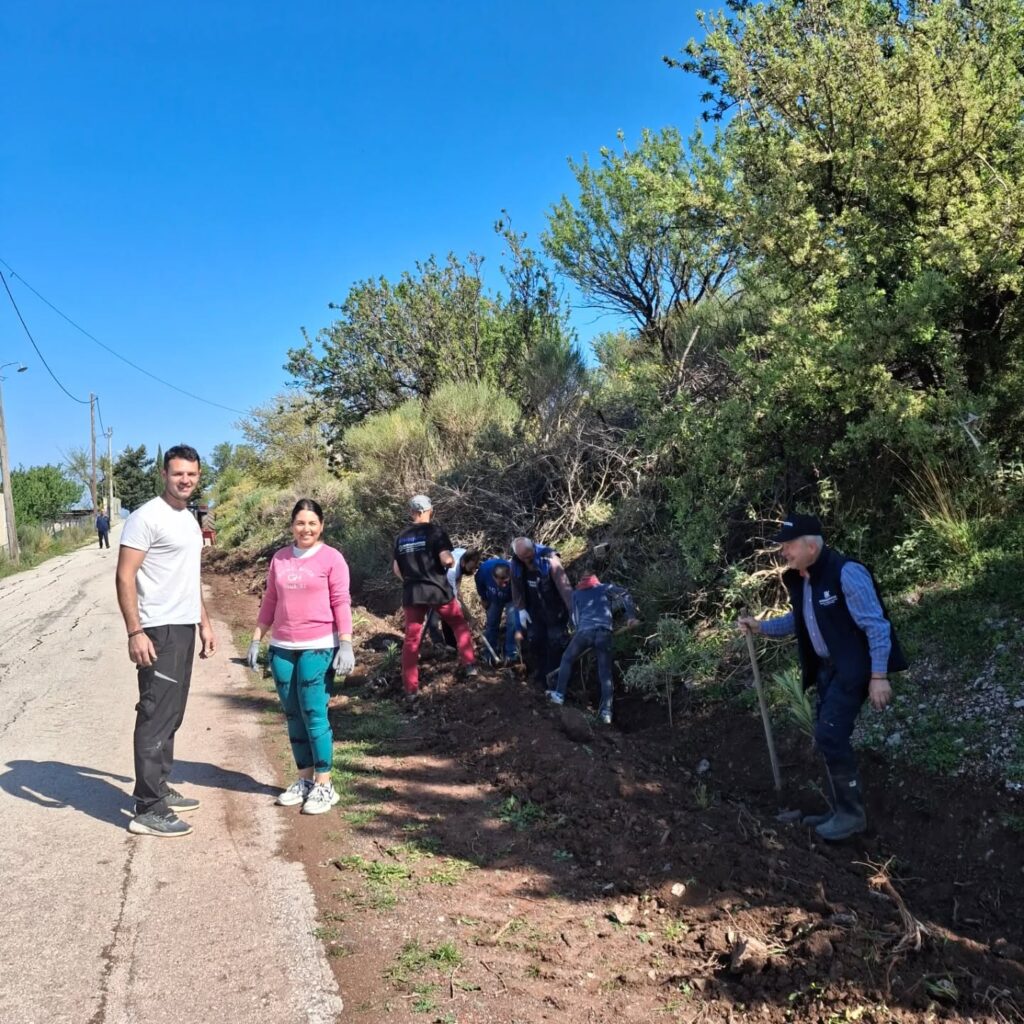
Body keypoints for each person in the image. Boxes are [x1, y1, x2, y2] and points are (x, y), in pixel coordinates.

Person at [738, 514, 908, 841]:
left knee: (830, 735)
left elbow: (877, 626)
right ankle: (839, 810)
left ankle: (851, 816)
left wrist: (879, 676)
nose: (783, 553)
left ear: (811, 545)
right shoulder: (805, 580)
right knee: (827, 736)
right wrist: (760, 627)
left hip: (854, 669)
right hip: (828, 671)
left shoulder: (847, 573)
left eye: (788, 546)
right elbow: (797, 621)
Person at [115, 444, 216, 838]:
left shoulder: (190, 519)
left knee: (173, 713)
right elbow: (125, 577)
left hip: (184, 625)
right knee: (156, 713)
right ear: (164, 474)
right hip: (157, 629)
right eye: (178, 474)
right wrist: (135, 631)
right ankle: (148, 808)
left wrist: (204, 623)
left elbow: (191, 579)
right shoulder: (145, 518)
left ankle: (159, 787)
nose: (185, 480)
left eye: (191, 474)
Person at [247, 499, 354, 815]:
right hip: (282, 647)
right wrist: (256, 640)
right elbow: (270, 600)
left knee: (314, 712)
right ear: (292, 525)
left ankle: (324, 785)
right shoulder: (279, 558)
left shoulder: (332, 559)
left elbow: (341, 602)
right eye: (300, 523)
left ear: (321, 525)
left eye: (312, 523)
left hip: (319, 645)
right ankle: (305, 780)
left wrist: (346, 643)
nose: (305, 528)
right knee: (293, 714)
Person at [393, 495, 476, 698]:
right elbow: (446, 559)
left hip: (412, 593)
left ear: (412, 512)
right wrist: (451, 563)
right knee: (459, 625)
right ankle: (470, 666)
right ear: (429, 510)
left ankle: (411, 689)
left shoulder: (401, 536)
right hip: (437, 589)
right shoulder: (435, 532)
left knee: (412, 639)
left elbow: (396, 568)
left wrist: (411, 579)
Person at [546, 573, 640, 725]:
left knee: (567, 659)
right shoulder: (605, 588)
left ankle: (559, 695)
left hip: (584, 632)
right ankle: (606, 713)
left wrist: (579, 632)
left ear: (580, 583)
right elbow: (625, 593)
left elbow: (575, 618)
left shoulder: (576, 594)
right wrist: (630, 616)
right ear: (596, 581)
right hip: (604, 633)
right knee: (605, 672)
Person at [510, 537, 573, 687]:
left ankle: (555, 678)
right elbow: (516, 587)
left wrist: (573, 610)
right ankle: (541, 673)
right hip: (534, 611)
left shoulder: (549, 559)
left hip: (554, 610)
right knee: (536, 641)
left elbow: (565, 587)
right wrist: (521, 609)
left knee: (555, 643)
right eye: (523, 557)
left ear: (533, 548)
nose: (527, 560)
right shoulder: (516, 564)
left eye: (529, 555)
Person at [427, 547, 482, 649]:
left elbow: (460, 573)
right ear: (464, 562)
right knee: (436, 611)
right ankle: (437, 644)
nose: (473, 570)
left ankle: (451, 644)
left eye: (475, 567)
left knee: (449, 612)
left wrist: (458, 587)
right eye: (471, 568)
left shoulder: (464, 553)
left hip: (444, 578)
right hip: (432, 582)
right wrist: (469, 618)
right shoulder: (451, 571)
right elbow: (455, 601)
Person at [475, 557, 520, 665]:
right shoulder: (484, 571)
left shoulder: (516, 573)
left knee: (513, 623)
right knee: (492, 623)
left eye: (506, 582)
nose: (504, 585)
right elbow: (479, 584)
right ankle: (489, 653)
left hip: (512, 599)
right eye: (500, 583)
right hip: (494, 598)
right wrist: (484, 598)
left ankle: (511, 654)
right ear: (493, 577)